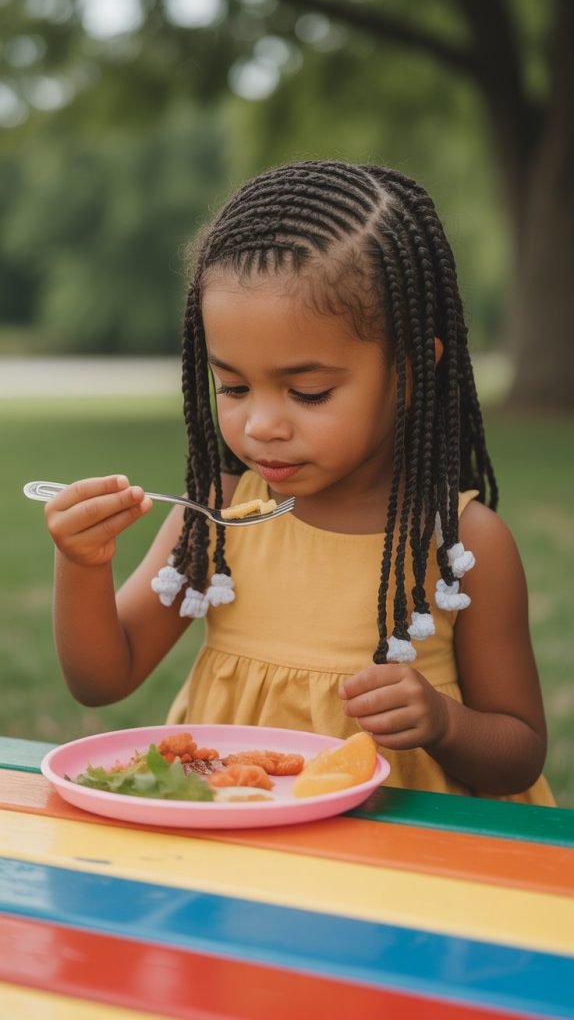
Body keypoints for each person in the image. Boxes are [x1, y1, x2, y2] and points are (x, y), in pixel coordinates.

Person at [44, 159, 554, 804]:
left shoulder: (460, 545)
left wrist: (444, 722)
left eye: (308, 393)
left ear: (411, 374)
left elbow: (517, 754)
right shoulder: (219, 516)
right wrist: (82, 563)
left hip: (403, 857)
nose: (261, 425)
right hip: (238, 836)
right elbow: (101, 677)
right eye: (231, 385)